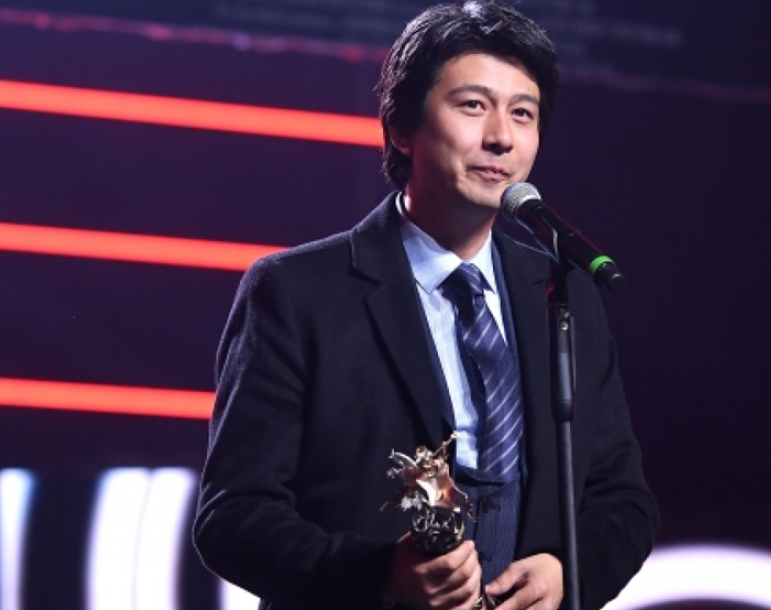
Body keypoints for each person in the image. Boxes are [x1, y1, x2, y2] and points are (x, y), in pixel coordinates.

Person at [192, 3, 658, 610]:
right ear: (401, 128)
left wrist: (568, 573)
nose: (501, 136)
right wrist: (381, 576)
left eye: (523, 113)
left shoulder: (563, 291)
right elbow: (233, 516)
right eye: (473, 105)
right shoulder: (296, 292)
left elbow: (623, 499)